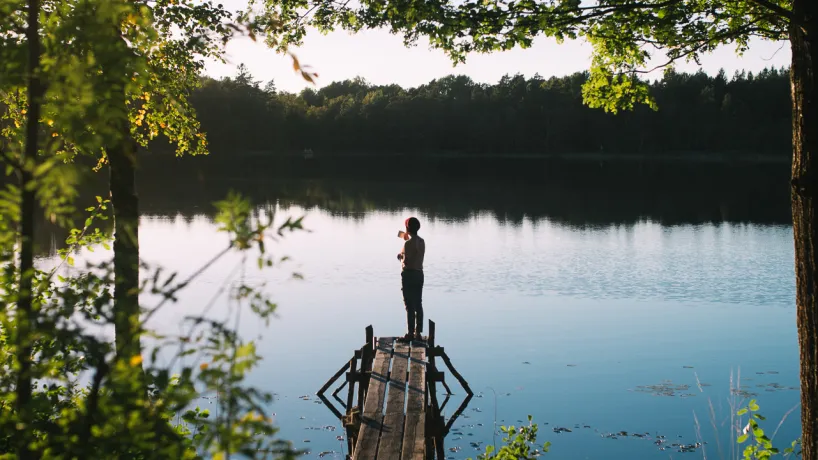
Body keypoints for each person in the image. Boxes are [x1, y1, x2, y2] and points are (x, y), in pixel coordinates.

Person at [397, 217, 425, 341]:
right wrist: (405, 238)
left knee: (409, 305)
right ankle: (418, 333)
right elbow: (414, 250)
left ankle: (409, 334)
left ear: (407, 228)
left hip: (409, 275)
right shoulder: (421, 241)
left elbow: (406, 262)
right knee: (418, 303)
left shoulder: (407, 243)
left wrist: (400, 257)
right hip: (419, 274)